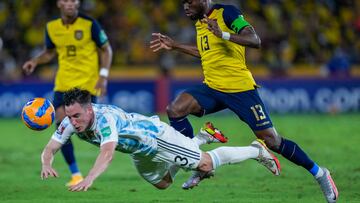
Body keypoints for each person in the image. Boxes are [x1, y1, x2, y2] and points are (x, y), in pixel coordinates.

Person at [149, 0, 338, 202]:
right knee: (175, 109)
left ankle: (320, 173)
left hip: (240, 89)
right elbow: (206, 51)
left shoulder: (227, 13)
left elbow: (255, 40)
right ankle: (198, 162)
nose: (185, 6)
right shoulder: (200, 21)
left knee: (273, 141)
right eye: (183, 2)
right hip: (212, 87)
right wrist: (175, 45)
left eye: (190, 1)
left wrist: (223, 34)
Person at [40, 88, 280, 191]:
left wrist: (90, 177)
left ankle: (256, 150)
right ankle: (199, 139)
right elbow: (51, 147)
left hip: (155, 138)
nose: (72, 122)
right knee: (163, 184)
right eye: (69, 117)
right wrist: (46, 163)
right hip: (139, 151)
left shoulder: (105, 120)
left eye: (77, 116)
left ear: (90, 109)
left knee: (205, 164)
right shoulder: (69, 122)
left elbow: (107, 153)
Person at [22, 0, 113, 186]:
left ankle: (103, 157)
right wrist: (36, 61)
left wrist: (103, 76)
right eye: (66, 0)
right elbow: (49, 52)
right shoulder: (52, 27)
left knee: (87, 130)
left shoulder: (89, 24)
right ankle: (76, 174)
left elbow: (106, 49)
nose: (70, 3)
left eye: (73, 0)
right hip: (63, 83)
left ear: (78, 3)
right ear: (59, 3)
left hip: (87, 84)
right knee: (61, 124)